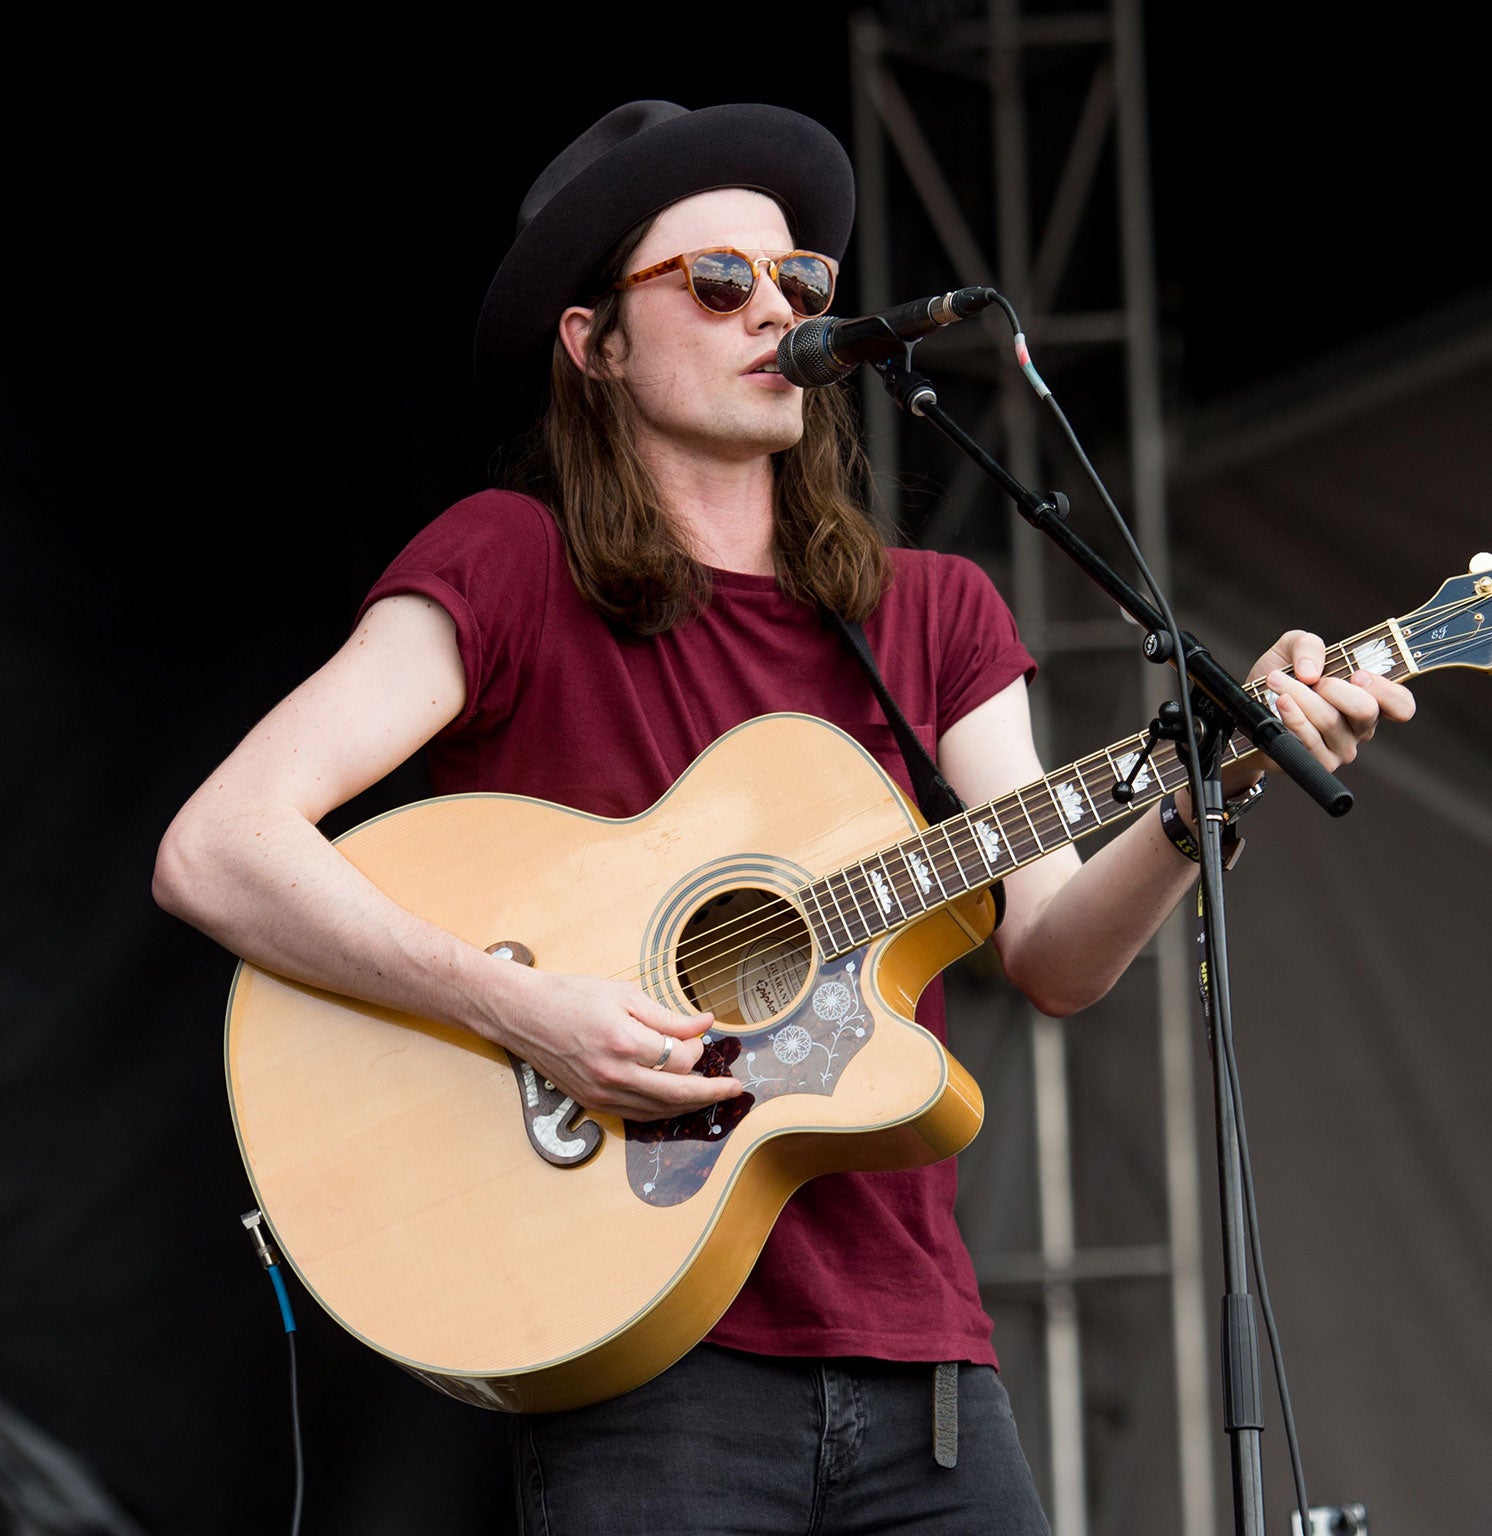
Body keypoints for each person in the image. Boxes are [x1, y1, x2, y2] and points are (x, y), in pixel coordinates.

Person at [153, 101, 1414, 1533]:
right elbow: (220, 846)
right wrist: (529, 1014)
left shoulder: (930, 610)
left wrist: (1212, 784)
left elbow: (1056, 950)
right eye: (716, 283)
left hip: (927, 1366)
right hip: (649, 1383)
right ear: (594, 344)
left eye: (801, 283)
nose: (778, 309)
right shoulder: (505, 566)